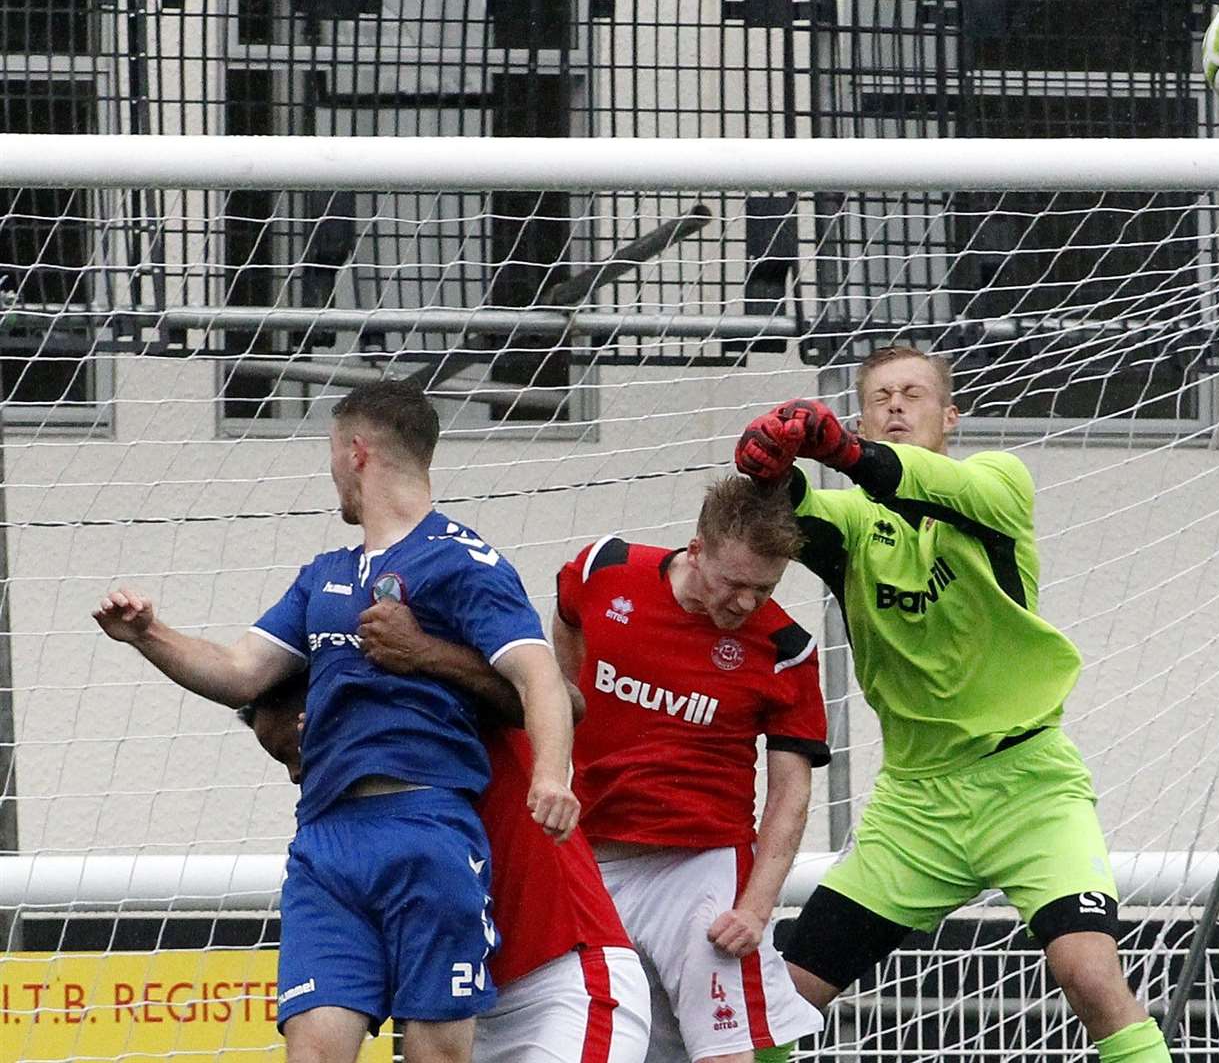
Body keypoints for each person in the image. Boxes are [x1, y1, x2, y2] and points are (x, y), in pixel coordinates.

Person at [94, 378, 578, 1063]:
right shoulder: (324, 575)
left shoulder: (462, 559)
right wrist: (150, 634)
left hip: (426, 830)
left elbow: (540, 679)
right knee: (313, 1051)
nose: (330, 475)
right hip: (325, 841)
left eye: (328, 455)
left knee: (436, 1052)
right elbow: (239, 671)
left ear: (355, 453)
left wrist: (553, 776)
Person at [733, 345, 1172, 1063]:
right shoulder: (849, 524)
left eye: (913, 394)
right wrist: (766, 469)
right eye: (880, 398)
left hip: (1028, 787)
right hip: (916, 804)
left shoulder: (997, 483)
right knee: (778, 999)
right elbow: (782, 517)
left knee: (1089, 976)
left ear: (949, 416)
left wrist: (841, 450)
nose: (896, 406)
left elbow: (925, 484)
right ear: (863, 417)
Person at [241, 607, 652, 1063]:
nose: (299, 774)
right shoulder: (338, 826)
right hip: (475, 1013)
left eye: (292, 751)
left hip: (563, 983)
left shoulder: (433, 705)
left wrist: (424, 651)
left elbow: (565, 698)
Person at [552, 477, 830, 1063]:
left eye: (766, 588)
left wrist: (755, 910)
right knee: (594, 1042)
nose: (748, 604)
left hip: (701, 866)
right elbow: (568, 615)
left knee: (725, 1050)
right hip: (590, 855)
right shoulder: (607, 567)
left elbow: (790, 795)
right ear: (696, 549)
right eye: (735, 584)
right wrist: (572, 706)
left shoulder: (787, 648)